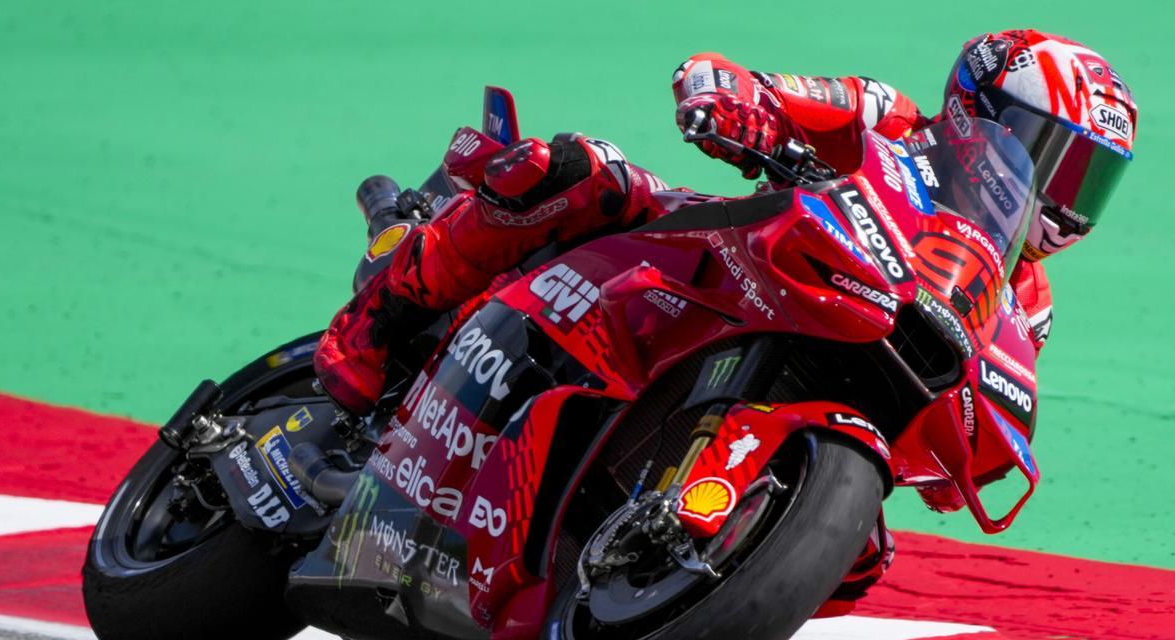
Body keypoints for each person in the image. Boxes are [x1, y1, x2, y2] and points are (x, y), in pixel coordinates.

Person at [315, 30, 1136, 414]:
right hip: (727, 255)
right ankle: (373, 325)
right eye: (1053, 158)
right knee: (577, 174)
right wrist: (730, 104)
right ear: (975, 112)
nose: (1062, 195)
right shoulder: (891, 121)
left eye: (1090, 179)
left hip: (813, 362)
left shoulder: (1027, 302)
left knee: (863, 557)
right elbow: (736, 79)